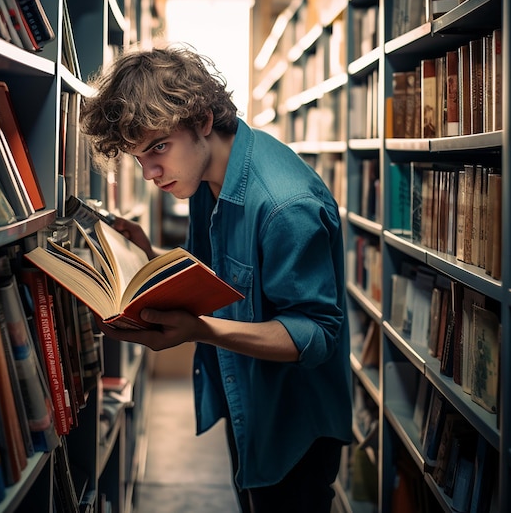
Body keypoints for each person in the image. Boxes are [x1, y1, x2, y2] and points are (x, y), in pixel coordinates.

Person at [80, 44, 353, 513]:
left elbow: (316, 335)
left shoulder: (286, 206)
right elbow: (222, 274)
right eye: (138, 157)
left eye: (158, 148)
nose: (149, 173)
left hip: (292, 424)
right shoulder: (208, 178)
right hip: (244, 396)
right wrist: (149, 255)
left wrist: (199, 330)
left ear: (203, 120)